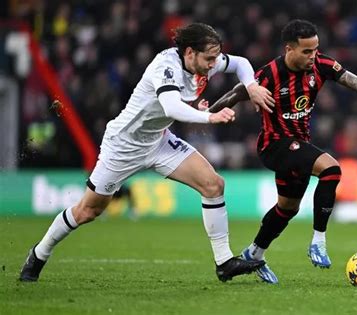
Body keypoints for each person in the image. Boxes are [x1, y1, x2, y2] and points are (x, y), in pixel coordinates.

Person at [19, 23, 275, 283]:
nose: (213, 64)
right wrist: (210, 116)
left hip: (159, 141)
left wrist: (251, 85)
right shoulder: (165, 67)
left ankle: (224, 263)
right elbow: (172, 107)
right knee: (88, 211)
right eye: (208, 59)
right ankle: (39, 253)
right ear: (189, 53)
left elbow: (241, 63)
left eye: (215, 58)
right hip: (123, 145)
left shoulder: (205, 59)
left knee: (213, 185)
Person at [208, 19, 357, 284]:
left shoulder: (322, 65)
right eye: (307, 51)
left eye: (315, 49)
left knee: (288, 207)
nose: (313, 56)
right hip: (274, 144)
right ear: (289, 49)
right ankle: (318, 240)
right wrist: (205, 115)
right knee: (331, 169)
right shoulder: (269, 74)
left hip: (299, 145)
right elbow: (236, 94)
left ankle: (254, 253)